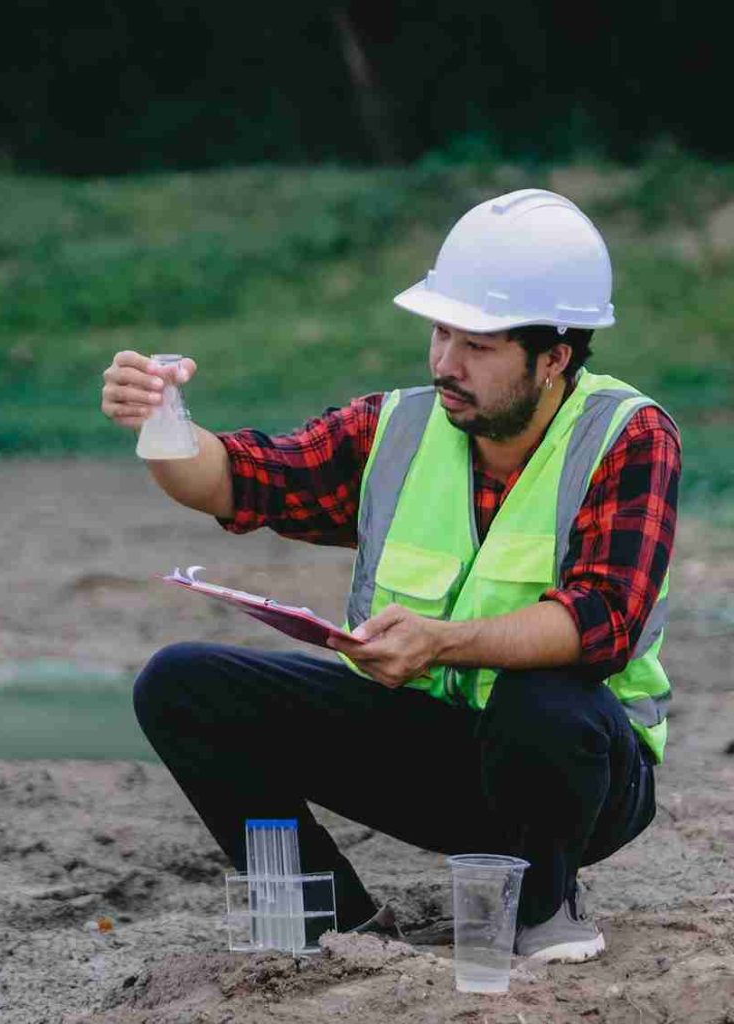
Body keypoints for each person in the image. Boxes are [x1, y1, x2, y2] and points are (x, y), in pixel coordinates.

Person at [100, 189, 680, 963]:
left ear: (554, 359)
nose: (445, 362)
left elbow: (602, 620)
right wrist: (164, 422)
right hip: (433, 752)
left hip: (582, 777)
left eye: (478, 344)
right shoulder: (399, 428)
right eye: (441, 332)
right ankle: (327, 921)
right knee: (181, 684)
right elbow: (244, 480)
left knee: (544, 693)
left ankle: (543, 905)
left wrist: (443, 642)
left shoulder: (626, 436)